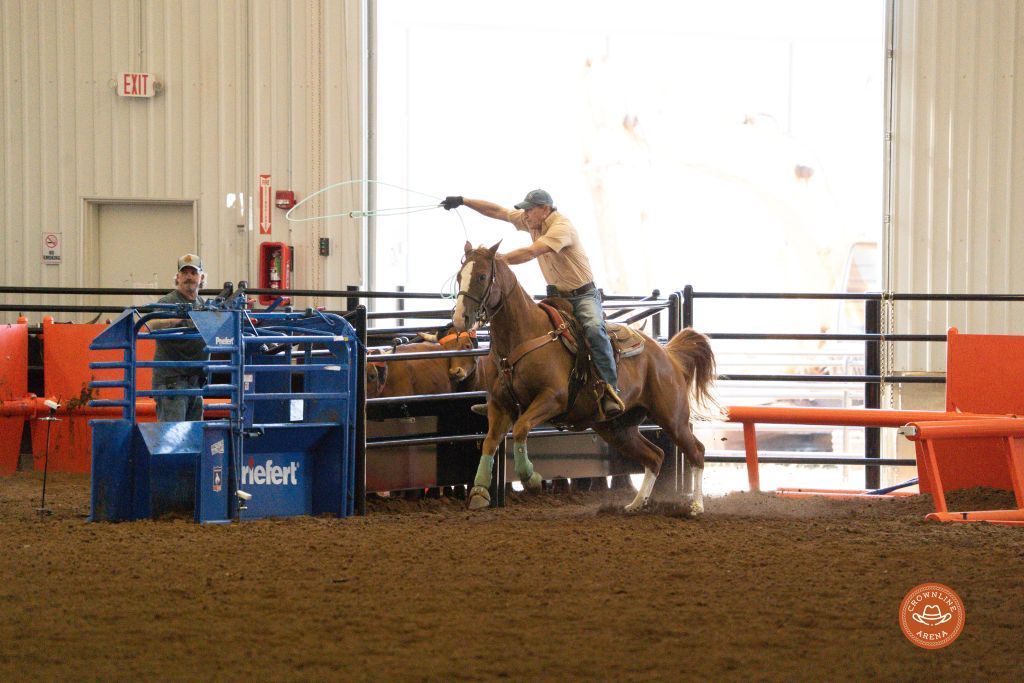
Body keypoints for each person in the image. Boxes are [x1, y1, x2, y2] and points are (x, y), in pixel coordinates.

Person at [442, 189, 624, 418]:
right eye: (524, 210)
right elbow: (498, 211)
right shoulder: (532, 222)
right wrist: (463, 201)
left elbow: (531, 252)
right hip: (556, 295)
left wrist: (492, 262)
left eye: (529, 209)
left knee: (595, 329)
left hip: (583, 296)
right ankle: (499, 398)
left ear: (545, 209)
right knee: (517, 332)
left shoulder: (562, 228)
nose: (525, 214)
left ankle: (609, 389)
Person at [149, 253, 209, 421]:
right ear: (178, 277)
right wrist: (177, 319)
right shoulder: (167, 302)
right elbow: (151, 324)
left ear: (201, 277)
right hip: (172, 382)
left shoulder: (202, 305)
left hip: (195, 381)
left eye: (193, 272)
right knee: (173, 439)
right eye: (185, 272)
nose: (189, 277)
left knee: (193, 439)